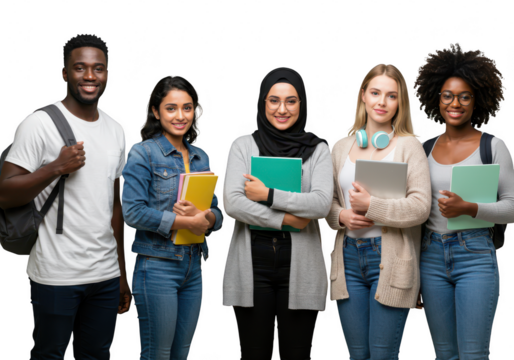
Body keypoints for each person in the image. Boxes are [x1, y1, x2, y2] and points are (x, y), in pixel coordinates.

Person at [0, 34, 130, 359]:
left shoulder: (116, 129)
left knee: (96, 355)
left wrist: (121, 273)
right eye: (80, 68)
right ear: (64, 73)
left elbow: (114, 205)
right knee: (49, 355)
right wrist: (55, 167)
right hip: (57, 272)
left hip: (104, 274)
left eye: (97, 68)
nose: (89, 76)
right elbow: (3, 194)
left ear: (107, 74)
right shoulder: (38, 124)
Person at [221, 67, 332, 359]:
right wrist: (285, 219)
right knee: (254, 353)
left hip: (300, 264)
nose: (282, 109)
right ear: (262, 103)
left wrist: (267, 195)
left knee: (297, 353)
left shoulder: (318, 149)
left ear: (302, 104)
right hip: (252, 261)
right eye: (274, 100)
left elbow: (321, 204)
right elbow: (232, 202)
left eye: (291, 101)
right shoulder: (243, 146)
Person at [412, 43, 513, 360]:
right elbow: (416, 213)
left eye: (464, 96)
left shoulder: (492, 147)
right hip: (430, 257)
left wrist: (469, 208)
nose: (455, 103)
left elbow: (511, 208)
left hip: (475, 256)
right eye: (447, 95)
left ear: (476, 100)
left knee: (472, 354)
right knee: (444, 354)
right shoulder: (422, 150)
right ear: (436, 99)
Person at [325, 63, 431, 359]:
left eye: (391, 96)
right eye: (375, 93)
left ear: (400, 103)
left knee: (383, 354)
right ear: (362, 96)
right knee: (357, 354)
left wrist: (372, 206)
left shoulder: (410, 146)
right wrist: (341, 216)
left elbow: (421, 207)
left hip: (390, 258)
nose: (382, 102)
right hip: (347, 259)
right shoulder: (341, 147)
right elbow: (328, 204)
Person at [121, 75, 223, 360]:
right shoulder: (143, 154)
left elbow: (216, 211)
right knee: (158, 354)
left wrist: (208, 220)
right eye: (171, 108)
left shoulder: (202, 157)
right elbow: (133, 212)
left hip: (193, 267)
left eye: (187, 108)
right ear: (156, 111)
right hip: (157, 267)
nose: (181, 116)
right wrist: (185, 222)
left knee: (181, 354)